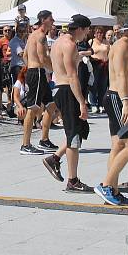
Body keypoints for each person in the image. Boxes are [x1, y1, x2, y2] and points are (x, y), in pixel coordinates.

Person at [96, 15, 128, 207]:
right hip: (117, 98)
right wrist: (126, 102)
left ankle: (113, 190)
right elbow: (119, 75)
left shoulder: (120, 45)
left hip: (117, 97)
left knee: (117, 146)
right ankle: (106, 185)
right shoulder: (123, 45)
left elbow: (122, 78)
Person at [42, 14, 92, 192]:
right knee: (74, 137)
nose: (86, 35)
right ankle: (73, 180)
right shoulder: (70, 44)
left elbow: (55, 64)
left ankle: (54, 158)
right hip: (67, 90)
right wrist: (82, 102)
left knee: (78, 130)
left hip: (59, 88)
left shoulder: (57, 42)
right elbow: (72, 76)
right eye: (86, 31)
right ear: (79, 29)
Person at [20, 10, 56, 155]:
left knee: (51, 105)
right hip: (37, 73)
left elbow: (24, 55)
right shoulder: (41, 36)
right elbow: (43, 59)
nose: (53, 21)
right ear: (43, 20)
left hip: (36, 72)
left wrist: (30, 68)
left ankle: (44, 140)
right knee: (33, 108)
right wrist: (56, 69)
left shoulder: (32, 35)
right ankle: (25, 144)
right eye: (50, 18)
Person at [89, 27, 111, 113]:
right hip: (94, 65)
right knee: (93, 85)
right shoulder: (91, 42)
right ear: (94, 34)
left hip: (104, 65)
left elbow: (109, 53)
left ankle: (101, 104)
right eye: (97, 32)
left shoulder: (106, 42)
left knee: (103, 86)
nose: (99, 34)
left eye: (101, 33)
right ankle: (93, 104)